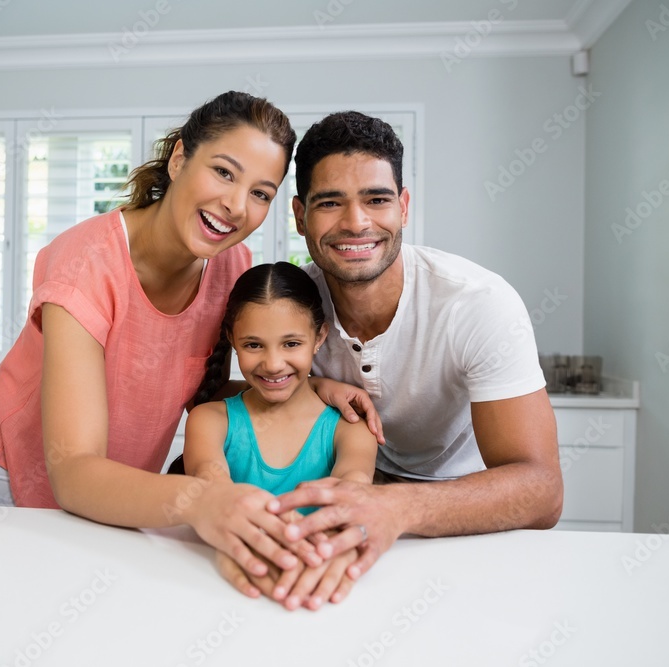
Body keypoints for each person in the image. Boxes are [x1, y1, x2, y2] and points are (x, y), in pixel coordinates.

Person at [0, 92, 378, 581]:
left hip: (125, 483)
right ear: (180, 158)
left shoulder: (231, 267)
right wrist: (202, 500)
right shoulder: (84, 266)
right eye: (224, 172)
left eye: (260, 193)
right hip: (25, 475)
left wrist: (316, 389)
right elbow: (74, 470)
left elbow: (202, 392)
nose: (234, 205)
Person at [214, 111, 563, 605]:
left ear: (402, 206)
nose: (356, 222)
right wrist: (317, 388)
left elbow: (542, 489)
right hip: (337, 508)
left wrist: (394, 506)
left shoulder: (477, 303)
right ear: (299, 216)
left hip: (460, 513)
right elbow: (222, 395)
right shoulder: (292, 306)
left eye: (376, 199)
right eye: (330, 202)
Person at [183, 262, 378, 609]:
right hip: (221, 592)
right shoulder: (209, 421)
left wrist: (317, 551)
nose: (273, 364)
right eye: (254, 345)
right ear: (232, 339)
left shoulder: (349, 426)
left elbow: (354, 485)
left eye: (290, 343)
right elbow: (211, 484)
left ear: (319, 337)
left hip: (317, 585)